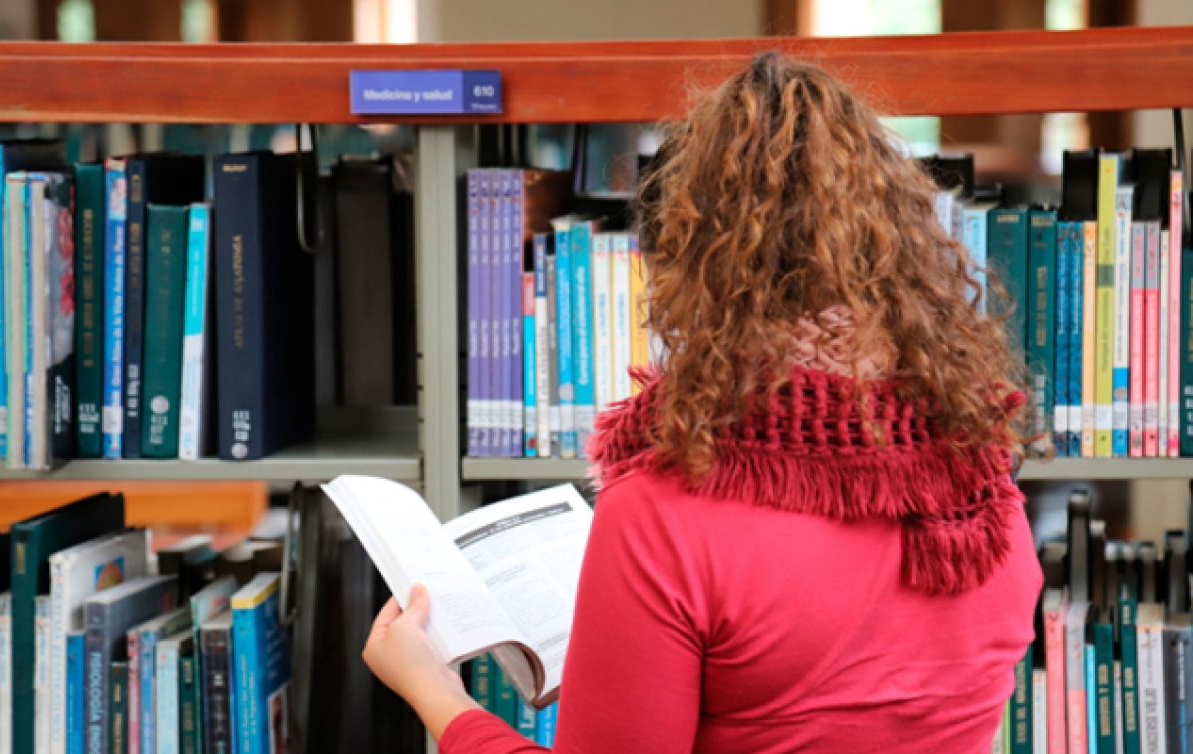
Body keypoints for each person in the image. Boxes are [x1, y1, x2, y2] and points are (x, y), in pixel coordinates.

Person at [363, 51, 1044, 753]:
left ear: (692, 259)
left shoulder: (663, 519)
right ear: (904, 245)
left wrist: (436, 694)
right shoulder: (983, 486)